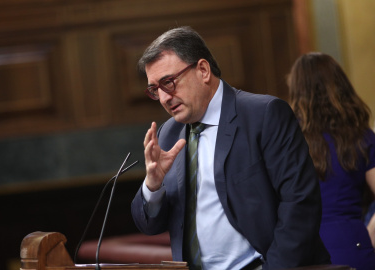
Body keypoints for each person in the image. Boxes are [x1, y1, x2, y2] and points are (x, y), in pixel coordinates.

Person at [131, 26, 331, 270]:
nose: (164, 98)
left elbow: (300, 204)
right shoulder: (168, 133)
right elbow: (149, 225)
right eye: (155, 90)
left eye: (169, 83)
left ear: (203, 70)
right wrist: (152, 184)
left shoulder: (264, 115)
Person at [287, 52, 375, 270]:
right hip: (352, 244)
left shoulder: (285, 138)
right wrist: (370, 232)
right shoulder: (361, 136)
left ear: (297, 89)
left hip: (301, 250)